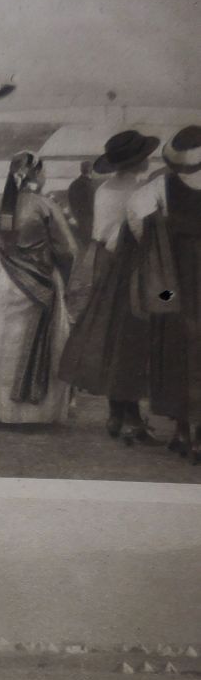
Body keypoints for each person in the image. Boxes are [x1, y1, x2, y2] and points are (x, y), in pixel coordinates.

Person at [59, 130, 160, 443]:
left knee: (109, 334)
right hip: (135, 269)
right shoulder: (142, 192)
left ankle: (117, 413)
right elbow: (146, 236)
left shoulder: (102, 190)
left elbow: (99, 234)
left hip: (105, 267)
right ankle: (132, 417)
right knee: (134, 337)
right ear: (139, 161)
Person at [0, 152, 78, 425]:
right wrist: (63, 279)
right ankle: (38, 413)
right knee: (40, 341)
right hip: (41, 280)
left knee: (4, 341)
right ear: (37, 173)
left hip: (5, 279)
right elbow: (68, 250)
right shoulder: (45, 206)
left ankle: (5, 410)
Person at [127, 125, 201, 462]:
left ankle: (183, 433)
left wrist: (158, 246)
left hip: (172, 282)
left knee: (175, 343)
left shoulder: (161, 186)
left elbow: (136, 217)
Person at [67, 161, 97, 247]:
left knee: (81, 241)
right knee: (89, 242)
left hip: (77, 217)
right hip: (89, 218)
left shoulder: (74, 184)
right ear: (91, 170)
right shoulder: (90, 185)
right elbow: (92, 203)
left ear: (81, 169)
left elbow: (70, 200)